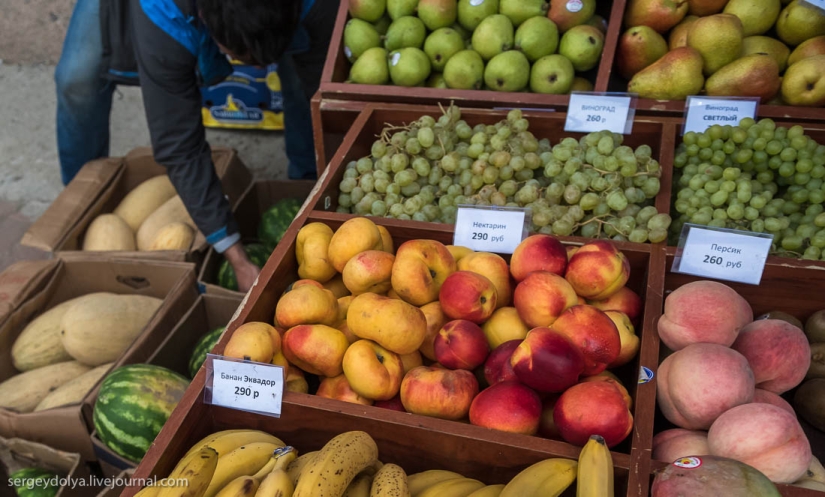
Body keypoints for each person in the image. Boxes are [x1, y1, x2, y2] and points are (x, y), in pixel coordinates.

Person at [54, 0, 338, 291]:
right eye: (241, 56)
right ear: (205, 19)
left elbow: (329, 93)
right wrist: (238, 259)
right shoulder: (163, 11)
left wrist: (334, 183)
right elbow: (179, 143)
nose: (257, 68)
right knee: (76, 79)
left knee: (304, 79)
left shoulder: (318, 5)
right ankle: (83, 205)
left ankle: (308, 180)